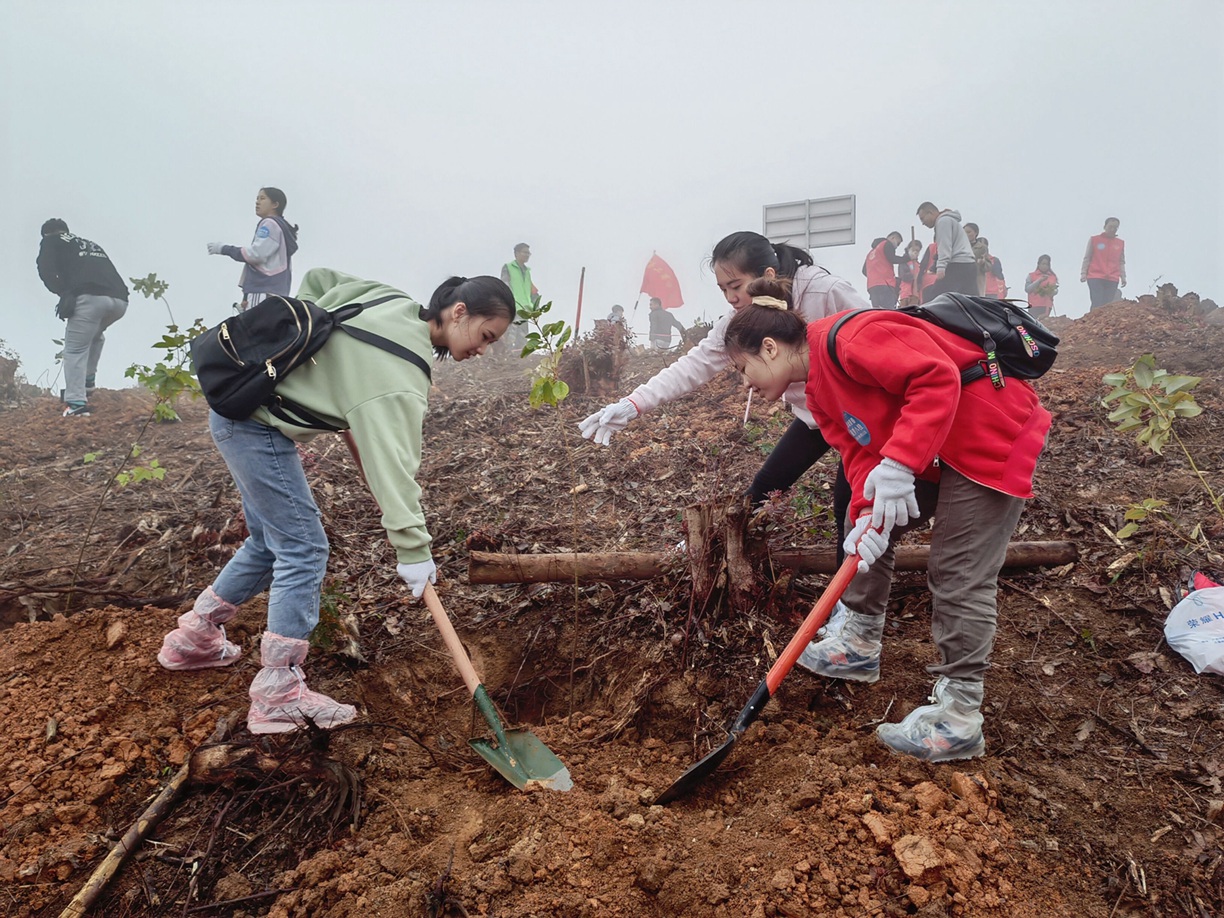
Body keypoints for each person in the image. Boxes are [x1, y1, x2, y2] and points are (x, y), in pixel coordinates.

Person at [156, 268, 514, 734]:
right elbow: (394, 473)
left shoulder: (390, 299)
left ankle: (195, 637)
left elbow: (320, 279)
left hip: (240, 413)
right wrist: (413, 551)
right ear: (458, 312)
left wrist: (311, 361)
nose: (483, 349)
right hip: (255, 427)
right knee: (303, 547)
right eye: (485, 336)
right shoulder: (403, 376)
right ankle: (278, 694)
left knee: (269, 541)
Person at [721, 275, 1051, 762]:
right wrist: (865, 515)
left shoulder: (851, 336)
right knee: (867, 533)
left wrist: (898, 466)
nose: (743, 383)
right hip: (936, 447)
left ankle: (959, 717)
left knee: (957, 571)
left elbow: (935, 377)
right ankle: (857, 642)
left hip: (989, 434)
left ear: (769, 348)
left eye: (741, 368)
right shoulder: (817, 391)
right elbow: (856, 454)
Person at [579, 230, 868, 522]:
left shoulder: (824, 292)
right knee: (764, 488)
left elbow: (879, 338)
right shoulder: (740, 318)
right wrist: (633, 404)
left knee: (851, 503)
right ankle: (706, 547)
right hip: (816, 415)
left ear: (767, 274)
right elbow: (696, 364)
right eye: (723, 290)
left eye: (736, 286)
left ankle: (857, 566)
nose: (731, 298)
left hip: (864, 414)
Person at [36, 218, 130, 418]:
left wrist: (64, 292)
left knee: (74, 350)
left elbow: (45, 271)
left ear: (46, 233)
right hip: (120, 301)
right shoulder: (88, 243)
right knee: (95, 334)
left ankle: (76, 403)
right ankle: (88, 382)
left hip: (90, 299)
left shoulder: (51, 240)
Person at [208, 187, 300, 311]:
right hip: (276, 292)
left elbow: (256, 254)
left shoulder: (269, 224)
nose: (257, 202)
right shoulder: (281, 227)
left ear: (275, 204)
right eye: (257, 198)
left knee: (256, 329)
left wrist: (224, 249)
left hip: (263, 290)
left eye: (262, 198)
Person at [915, 202, 977, 297]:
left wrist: (941, 268)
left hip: (956, 265)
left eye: (922, 218)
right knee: (971, 301)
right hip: (969, 264)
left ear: (930, 213)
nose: (923, 223)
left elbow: (945, 246)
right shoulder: (951, 221)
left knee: (937, 299)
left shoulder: (943, 221)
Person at [1080, 217, 1126, 311]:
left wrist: (1123, 277)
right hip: (1095, 275)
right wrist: (1083, 273)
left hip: (1113, 277)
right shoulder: (1095, 240)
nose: (1113, 229)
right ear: (1105, 226)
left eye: (1115, 227)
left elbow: (1121, 261)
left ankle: (1103, 325)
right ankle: (1092, 323)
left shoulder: (1120, 243)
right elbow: (1087, 257)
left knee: (1107, 304)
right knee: (1097, 301)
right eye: (1110, 226)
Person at [862, 232, 907, 309]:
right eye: (898, 243)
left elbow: (864, 270)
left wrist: (875, 275)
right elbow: (892, 258)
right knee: (888, 311)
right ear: (893, 238)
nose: (896, 246)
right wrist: (907, 258)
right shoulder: (887, 244)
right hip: (886, 284)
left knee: (877, 311)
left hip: (872, 287)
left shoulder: (871, 252)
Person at [1024, 255, 1059, 320]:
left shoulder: (1052, 276)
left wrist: (1052, 292)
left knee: (1044, 323)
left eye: (1046, 264)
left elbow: (1056, 289)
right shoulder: (1031, 275)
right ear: (1038, 264)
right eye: (1043, 264)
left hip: (1047, 305)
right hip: (1034, 305)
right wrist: (1039, 281)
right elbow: (1027, 289)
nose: (1044, 266)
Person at [897, 240, 925, 307]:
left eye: (917, 251)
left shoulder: (918, 265)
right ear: (908, 249)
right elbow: (903, 276)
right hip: (906, 294)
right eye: (913, 250)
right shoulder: (904, 262)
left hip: (917, 295)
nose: (915, 252)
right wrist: (914, 276)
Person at [964, 223, 988, 295]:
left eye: (968, 232)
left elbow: (989, 265)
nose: (966, 234)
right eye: (964, 232)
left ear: (976, 233)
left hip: (976, 279)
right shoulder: (959, 247)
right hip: (962, 278)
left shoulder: (982, 248)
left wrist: (983, 263)